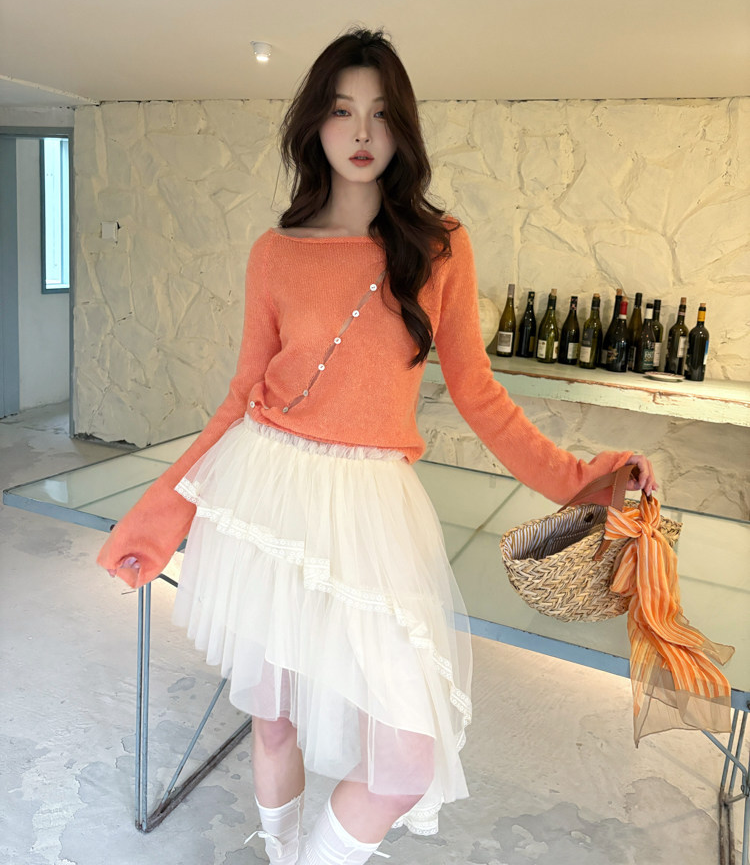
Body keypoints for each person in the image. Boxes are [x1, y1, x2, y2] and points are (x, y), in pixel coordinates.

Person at [98, 28, 657, 865]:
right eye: (341, 111)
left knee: (404, 759)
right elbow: (239, 401)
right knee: (273, 717)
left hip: (372, 514)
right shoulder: (275, 253)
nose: (361, 133)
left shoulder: (439, 247)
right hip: (268, 492)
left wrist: (587, 479)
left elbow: (479, 395)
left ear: (403, 129)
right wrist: (158, 516)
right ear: (314, 125)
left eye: (381, 114)